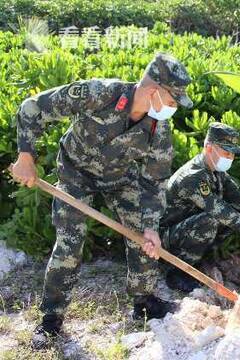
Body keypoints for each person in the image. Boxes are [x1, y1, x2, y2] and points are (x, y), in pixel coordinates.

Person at [10, 53, 193, 349]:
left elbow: (155, 180)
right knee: (70, 243)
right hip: (75, 173)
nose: (174, 109)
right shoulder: (99, 93)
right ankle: (50, 320)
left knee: (143, 238)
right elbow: (33, 108)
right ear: (153, 91)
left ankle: (143, 302)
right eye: (173, 100)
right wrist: (26, 157)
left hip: (120, 178)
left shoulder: (160, 128)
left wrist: (150, 226)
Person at [160, 123, 240, 292]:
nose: (230, 158)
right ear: (209, 148)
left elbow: (238, 198)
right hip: (165, 238)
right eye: (226, 152)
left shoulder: (215, 170)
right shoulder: (193, 177)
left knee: (227, 220)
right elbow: (222, 212)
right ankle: (176, 272)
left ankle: (198, 260)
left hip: (186, 229)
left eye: (233, 154)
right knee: (214, 220)